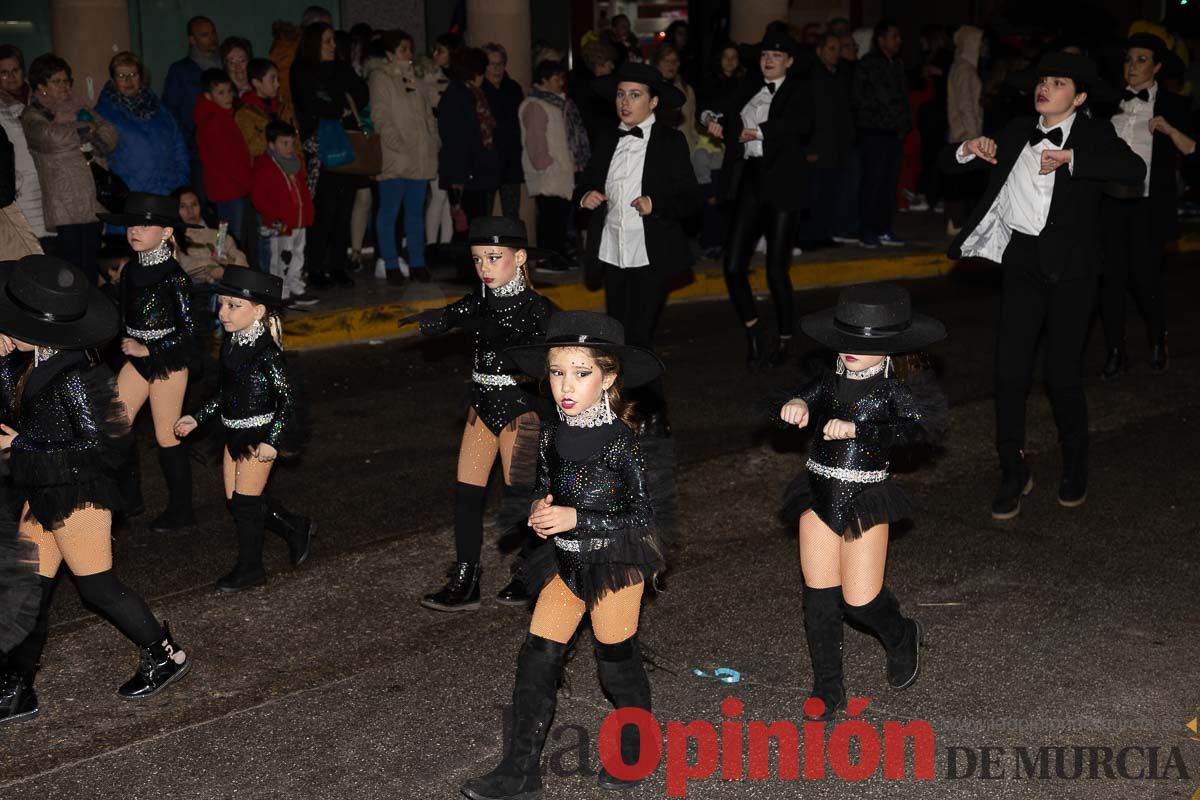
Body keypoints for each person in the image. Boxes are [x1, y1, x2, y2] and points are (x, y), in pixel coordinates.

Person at [458, 310, 667, 799]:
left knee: (617, 666)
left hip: (617, 563)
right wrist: (540, 507)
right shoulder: (549, 434)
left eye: (580, 373)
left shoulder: (624, 444)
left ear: (608, 377)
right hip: (565, 564)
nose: (565, 386)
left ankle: (637, 744)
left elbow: (645, 521)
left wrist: (579, 519)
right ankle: (520, 772)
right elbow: (548, 486)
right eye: (556, 372)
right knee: (536, 661)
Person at [941, 52, 1144, 520]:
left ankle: (1075, 464)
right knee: (1009, 374)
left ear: (1080, 96)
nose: (1045, 88)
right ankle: (1012, 470)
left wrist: (1073, 157)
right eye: (1042, 81)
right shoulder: (1015, 129)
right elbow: (948, 165)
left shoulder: (1094, 133)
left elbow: (1133, 171)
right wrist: (970, 149)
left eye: (1058, 82)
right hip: (1023, 265)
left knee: (1061, 377)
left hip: (1074, 272)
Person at [0, 254, 192, 725]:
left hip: (80, 491)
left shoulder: (78, 376)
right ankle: (16, 688)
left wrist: (22, 443)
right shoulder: (21, 359)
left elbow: (102, 449)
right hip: (41, 485)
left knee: (97, 587)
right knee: (28, 590)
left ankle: (165, 655)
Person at [774, 282, 946, 721]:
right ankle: (827, 690)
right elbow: (806, 396)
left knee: (861, 601)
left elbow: (914, 431)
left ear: (889, 348)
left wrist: (860, 431)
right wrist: (796, 404)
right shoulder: (828, 380)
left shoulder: (892, 392)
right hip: (817, 492)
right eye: (846, 338)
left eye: (864, 342)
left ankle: (902, 633)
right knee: (819, 600)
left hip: (866, 496)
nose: (851, 349)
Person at [412, 217, 554, 611]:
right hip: (481, 406)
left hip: (519, 409)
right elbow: (456, 313)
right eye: (478, 260)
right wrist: (437, 321)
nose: (485, 268)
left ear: (520, 257)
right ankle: (466, 578)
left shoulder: (537, 309)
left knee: (523, 496)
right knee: (466, 495)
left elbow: (557, 360)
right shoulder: (479, 299)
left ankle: (532, 569)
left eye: (494, 258)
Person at [576, 62, 700, 437]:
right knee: (618, 336)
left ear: (654, 101)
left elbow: (691, 201)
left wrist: (655, 204)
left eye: (635, 95)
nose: (625, 102)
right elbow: (585, 184)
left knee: (639, 335)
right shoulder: (606, 139)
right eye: (620, 94)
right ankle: (625, 409)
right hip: (613, 250)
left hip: (650, 252)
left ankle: (654, 411)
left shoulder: (670, 141)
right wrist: (585, 197)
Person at [174, 267, 312, 591]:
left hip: (258, 436)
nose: (223, 312)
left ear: (259, 311)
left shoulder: (268, 355)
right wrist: (198, 416)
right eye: (221, 304)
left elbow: (288, 401)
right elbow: (225, 392)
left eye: (233, 306)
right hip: (231, 433)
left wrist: (273, 441)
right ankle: (295, 527)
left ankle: (251, 569)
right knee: (238, 502)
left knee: (247, 505)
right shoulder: (231, 345)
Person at [703, 31, 814, 369]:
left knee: (776, 268)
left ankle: (784, 336)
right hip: (749, 179)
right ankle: (753, 329)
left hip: (782, 183)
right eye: (765, 53)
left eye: (777, 55)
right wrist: (710, 119)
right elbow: (717, 106)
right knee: (733, 264)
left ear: (789, 61)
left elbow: (801, 123)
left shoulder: (798, 90)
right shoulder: (748, 85)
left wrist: (760, 131)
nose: (769, 59)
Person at [101, 192, 199, 532]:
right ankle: (127, 501)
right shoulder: (130, 272)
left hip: (168, 363)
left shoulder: (175, 278)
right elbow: (119, 315)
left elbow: (190, 335)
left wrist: (150, 350)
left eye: (145, 224)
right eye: (132, 224)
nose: (135, 231)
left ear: (167, 232)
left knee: (167, 436)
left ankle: (182, 511)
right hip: (138, 361)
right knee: (114, 427)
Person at [1099, 33, 1192, 380]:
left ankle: (1157, 338)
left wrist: (1169, 130)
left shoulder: (1174, 105)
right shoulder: (1108, 103)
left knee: (1144, 279)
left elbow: (1193, 151)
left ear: (1156, 67)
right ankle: (1114, 350)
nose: (1132, 66)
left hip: (1148, 205)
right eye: (1128, 59)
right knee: (1110, 279)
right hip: (1109, 203)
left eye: (1141, 60)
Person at [21, 54, 117, 286]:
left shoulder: (80, 106)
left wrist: (89, 129)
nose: (64, 86)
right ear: (41, 86)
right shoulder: (33, 114)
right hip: (65, 201)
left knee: (92, 267)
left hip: (91, 197)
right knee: (72, 270)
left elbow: (111, 135)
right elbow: (51, 138)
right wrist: (86, 128)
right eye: (57, 81)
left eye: (66, 81)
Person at [291, 21, 369, 290]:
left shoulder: (340, 68)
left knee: (343, 210)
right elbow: (309, 103)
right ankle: (315, 268)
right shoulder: (302, 69)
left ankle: (337, 265)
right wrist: (338, 108)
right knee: (323, 211)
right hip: (320, 148)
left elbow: (361, 92)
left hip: (345, 146)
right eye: (327, 41)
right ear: (314, 43)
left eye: (333, 41)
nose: (333, 46)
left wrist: (339, 106)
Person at [369, 29, 438, 285]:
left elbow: (427, 114)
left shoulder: (415, 78)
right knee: (389, 212)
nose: (409, 54)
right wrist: (397, 144)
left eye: (410, 49)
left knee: (415, 213)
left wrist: (433, 140)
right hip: (396, 157)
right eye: (403, 49)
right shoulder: (380, 77)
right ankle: (390, 263)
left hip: (419, 156)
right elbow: (380, 115)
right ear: (390, 54)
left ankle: (418, 262)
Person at [519, 59, 588, 269]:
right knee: (551, 219)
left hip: (561, 172)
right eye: (557, 78)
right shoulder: (536, 105)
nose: (561, 82)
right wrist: (545, 164)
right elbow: (535, 139)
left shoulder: (557, 103)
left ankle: (557, 254)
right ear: (545, 80)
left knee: (559, 218)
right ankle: (546, 258)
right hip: (549, 173)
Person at [95, 52, 190, 198]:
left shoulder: (160, 109)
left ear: (141, 77)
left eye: (133, 74)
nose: (128, 80)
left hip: (167, 192)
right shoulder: (103, 113)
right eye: (121, 76)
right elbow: (99, 156)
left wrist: (180, 180)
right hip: (131, 195)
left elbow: (179, 146)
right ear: (113, 81)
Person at [853, 20, 911, 248]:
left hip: (894, 133)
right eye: (894, 36)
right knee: (873, 182)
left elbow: (903, 97)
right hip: (875, 132)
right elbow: (875, 99)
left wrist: (905, 123)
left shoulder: (896, 64)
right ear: (881, 39)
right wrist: (890, 118)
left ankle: (883, 228)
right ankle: (867, 230)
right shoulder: (868, 64)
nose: (898, 41)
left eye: (899, 36)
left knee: (889, 182)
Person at [438, 47, 501, 243]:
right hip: (465, 174)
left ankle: (471, 270)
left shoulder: (468, 94)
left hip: (472, 172)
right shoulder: (461, 96)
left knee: (473, 227)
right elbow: (459, 139)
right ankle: (467, 271)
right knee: (468, 229)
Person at [251, 120, 317, 306]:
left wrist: (308, 214)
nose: (290, 148)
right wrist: (274, 218)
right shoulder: (265, 166)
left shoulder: (295, 165)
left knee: (297, 254)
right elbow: (259, 197)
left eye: (292, 143)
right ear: (272, 144)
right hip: (279, 223)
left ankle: (295, 285)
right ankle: (280, 289)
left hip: (298, 221)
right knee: (280, 257)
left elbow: (303, 192)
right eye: (284, 143)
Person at [161, 16, 222, 201]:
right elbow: (170, 112)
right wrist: (188, 144)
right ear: (192, 40)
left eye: (213, 33)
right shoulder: (180, 71)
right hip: (197, 153)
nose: (211, 38)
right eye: (204, 35)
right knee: (202, 204)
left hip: (223, 149)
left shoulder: (225, 66)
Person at [804, 33, 856, 248]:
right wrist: (810, 147)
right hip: (819, 146)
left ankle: (823, 234)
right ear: (819, 50)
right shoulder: (813, 77)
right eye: (831, 48)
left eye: (837, 49)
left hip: (835, 146)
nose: (836, 54)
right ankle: (809, 237)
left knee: (830, 193)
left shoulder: (837, 76)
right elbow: (810, 115)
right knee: (814, 194)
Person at [194, 69, 253, 249]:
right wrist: (249, 183)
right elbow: (229, 161)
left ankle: (224, 271)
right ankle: (226, 274)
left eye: (229, 91)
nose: (228, 97)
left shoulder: (217, 117)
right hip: (231, 190)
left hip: (226, 190)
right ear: (208, 96)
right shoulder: (216, 121)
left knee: (225, 237)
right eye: (221, 93)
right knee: (230, 241)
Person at [0, 46, 50, 242]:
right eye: (3, 72)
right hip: (21, 192)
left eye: (15, 70)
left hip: (51, 188)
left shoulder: (42, 97)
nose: (11, 77)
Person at [419, 32, 461, 251]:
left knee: (446, 197)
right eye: (434, 49)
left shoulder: (457, 78)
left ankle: (444, 245)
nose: (435, 54)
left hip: (451, 142)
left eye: (441, 50)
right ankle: (433, 247)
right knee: (439, 194)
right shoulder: (427, 75)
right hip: (434, 141)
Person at [945, 25, 986, 235]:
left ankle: (958, 222)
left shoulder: (961, 67)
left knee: (961, 181)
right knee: (963, 181)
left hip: (962, 132)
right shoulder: (964, 70)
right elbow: (966, 106)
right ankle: (957, 222)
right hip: (964, 134)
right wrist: (974, 136)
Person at [271, 6, 333, 134]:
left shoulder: (309, 49)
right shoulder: (290, 49)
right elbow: (284, 87)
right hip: (295, 116)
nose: (329, 32)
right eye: (325, 27)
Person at [482, 43, 525, 221]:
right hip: (487, 161)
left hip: (511, 160)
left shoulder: (513, 88)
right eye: (492, 64)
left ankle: (514, 248)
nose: (497, 68)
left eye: (500, 63)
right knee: (484, 214)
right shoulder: (479, 91)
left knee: (512, 214)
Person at [173, 186, 247, 287]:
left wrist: (230, 262)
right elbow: (184, 265)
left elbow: (241, 259)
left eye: (194, 204)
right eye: (183, 206)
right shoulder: (172, 236)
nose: (190, 211)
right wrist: (211, 269)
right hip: (195, 290)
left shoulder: (218, 230)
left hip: (228, 284)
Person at [651, 44, 698, 152]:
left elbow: (691, 123)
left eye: (675, 61)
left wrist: (695, 143)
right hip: (658, 148)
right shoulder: (650, 89)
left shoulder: (687, 89)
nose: (671, 65)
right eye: (666, 61)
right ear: (657, 63)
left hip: (685, 148)